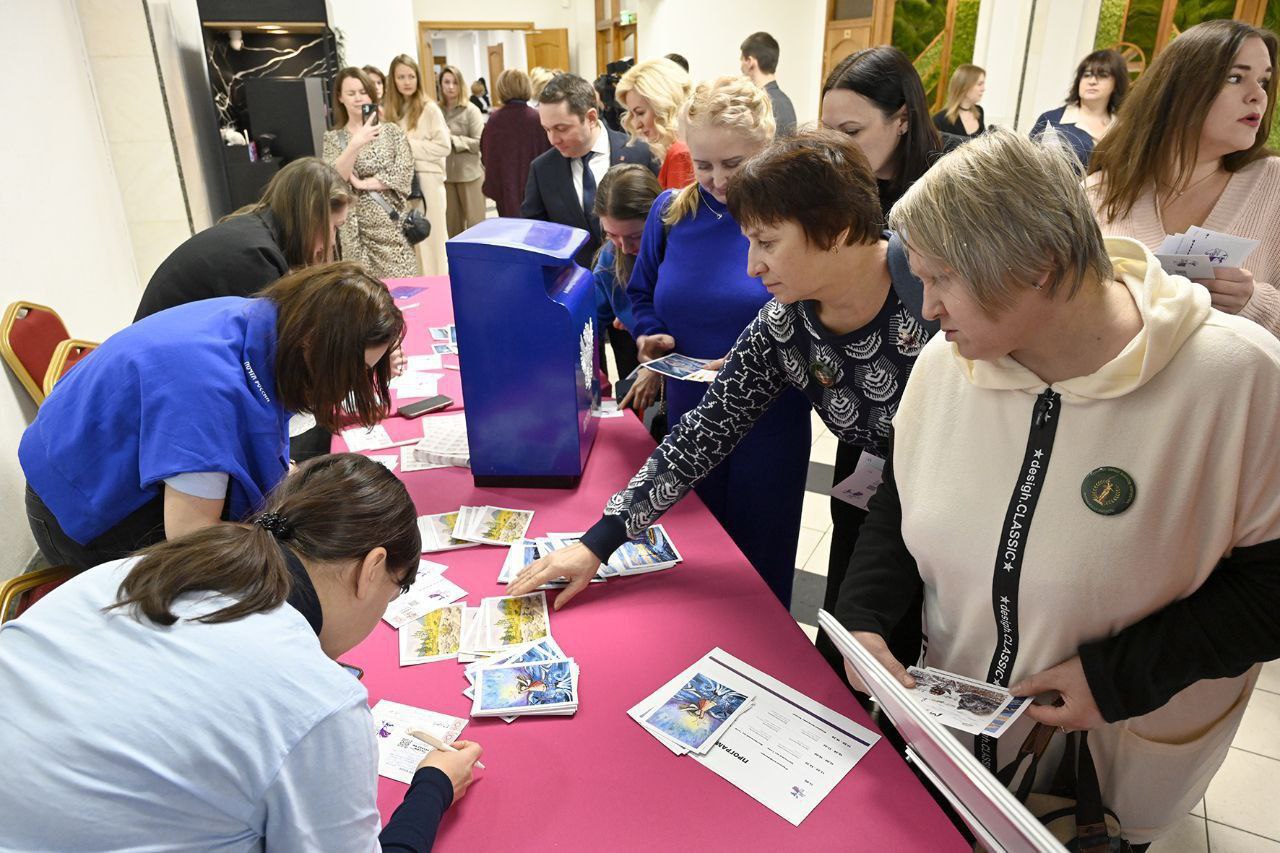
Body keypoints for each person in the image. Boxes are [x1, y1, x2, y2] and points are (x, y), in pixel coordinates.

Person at [834, 127, 1280, 847]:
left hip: (1103, 767)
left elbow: (1270, 588)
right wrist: (865, 620)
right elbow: (899, 505)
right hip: (953, 745)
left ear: (1040, 263)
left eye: (943, 278)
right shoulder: (948, 366)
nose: (927, 309)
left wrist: (1116, 678)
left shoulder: (1238, 380)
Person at [510, 127, 937, 613]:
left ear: (836, 230)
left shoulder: (934, 289)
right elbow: (703, 434)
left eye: (767, 243)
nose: (752, 267)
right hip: (896, 510)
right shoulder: (784, 324)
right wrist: (597, 544)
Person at [0, 453, 484, 849]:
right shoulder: (317, 700)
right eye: (396, 590)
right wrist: (434, 786)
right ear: (373, 568)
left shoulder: (133, 571)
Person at [20, 262, 404, 572]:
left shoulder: (268, 321)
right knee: (264, 571)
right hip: (79, 518)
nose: (353, 386)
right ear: (314, 343)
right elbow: (191, 536)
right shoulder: (207, 391)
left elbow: (258, 416)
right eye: (353, 372)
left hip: (99, 463)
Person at [816, 44, 962, 672]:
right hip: (868, 423)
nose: (840, 148)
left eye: (852, 131)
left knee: (926, 581)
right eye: (830, 132)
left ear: (903, 117)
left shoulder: (956, 180)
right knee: (855, 561)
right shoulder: (840, 186)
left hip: (949, 423)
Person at [1088, 20, 1280, 337]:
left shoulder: (1273, 184)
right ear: (1177, 90)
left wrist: (1254, 302)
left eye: (1264, 81)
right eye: (1235, 78)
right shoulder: (1097, 194)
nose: (1258, 95)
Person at [134, 157, 350, 320]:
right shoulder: (257, 257)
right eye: (334, 227)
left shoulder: (253, 230)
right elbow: (267, 349)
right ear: (311, 217)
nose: (332, 241)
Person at [521, 72, 657, 271]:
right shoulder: (542, 169)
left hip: (638, 280)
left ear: (591, 117)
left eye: (561, 128)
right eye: (547, 129)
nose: (553, 139)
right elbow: (535, 235)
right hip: (574, 284)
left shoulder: (641, 152)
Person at [323, 67, 418, 279]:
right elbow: (333, 179)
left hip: (391, 228)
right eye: (351, 93)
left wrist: (363, 184)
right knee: (362, 296)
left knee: (403, 292)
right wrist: (354, 144)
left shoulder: (391, 132)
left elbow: (403, 174)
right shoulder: (333, 138)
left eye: (363, 91)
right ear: (340, 97)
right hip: (353, 232)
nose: (358, 98)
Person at [590, 164, 662, 407]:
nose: (624, 247)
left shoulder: (684, 250)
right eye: (611, 235)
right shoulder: (609, 261)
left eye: (635, 236)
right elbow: (589, 325)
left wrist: (657, 368)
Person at [386, 54, 451, 276]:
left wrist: (407, 146)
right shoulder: (391, 111)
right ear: (393, 80)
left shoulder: (429, 108)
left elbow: (444, 147)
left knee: (433, 242)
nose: (407, 81)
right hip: (401, 184)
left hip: (429, 182)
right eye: (401, 76)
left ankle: (440, 290)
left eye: (411, 76)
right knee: (411, 243)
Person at [1031, 49, 1128, 166]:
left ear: (1116, 84)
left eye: (1102, 76)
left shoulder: (1122, 129)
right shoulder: (1051, 120)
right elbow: (1027, 165)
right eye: (1086, 75)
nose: (1092, 81)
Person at [480, 68, 552, 217]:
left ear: (501, 88)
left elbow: (487, 156)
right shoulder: (537, 118)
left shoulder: (494, 120)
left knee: (511, 235)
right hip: (536, 193)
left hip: (505, 192)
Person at [617, 58, 695, 190]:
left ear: (662, 105)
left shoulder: (680, 153)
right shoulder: (683, 148)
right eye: (632, 114)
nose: (636, 125)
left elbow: (677, 211)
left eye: (640, 113)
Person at [438, 65, 486, 236]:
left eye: (455, 82)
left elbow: (480, 143)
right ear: (441, 85)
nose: (451, 87)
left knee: (476, 228)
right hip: (445, 177)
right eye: (446, 82)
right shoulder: (436, 111)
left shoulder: (471, 110)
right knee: (451, 230)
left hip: (469, 175)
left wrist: (452, 139)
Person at [740, 32, 796, 135]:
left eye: (742, 60)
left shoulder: (760, 106)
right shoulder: (786, 103)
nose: (741, 66)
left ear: (750, 61)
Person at [932, 63, 985, 138]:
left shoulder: (979, 112)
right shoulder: (940, 120)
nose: (983, 89)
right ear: (965, 86)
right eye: (979, 84)